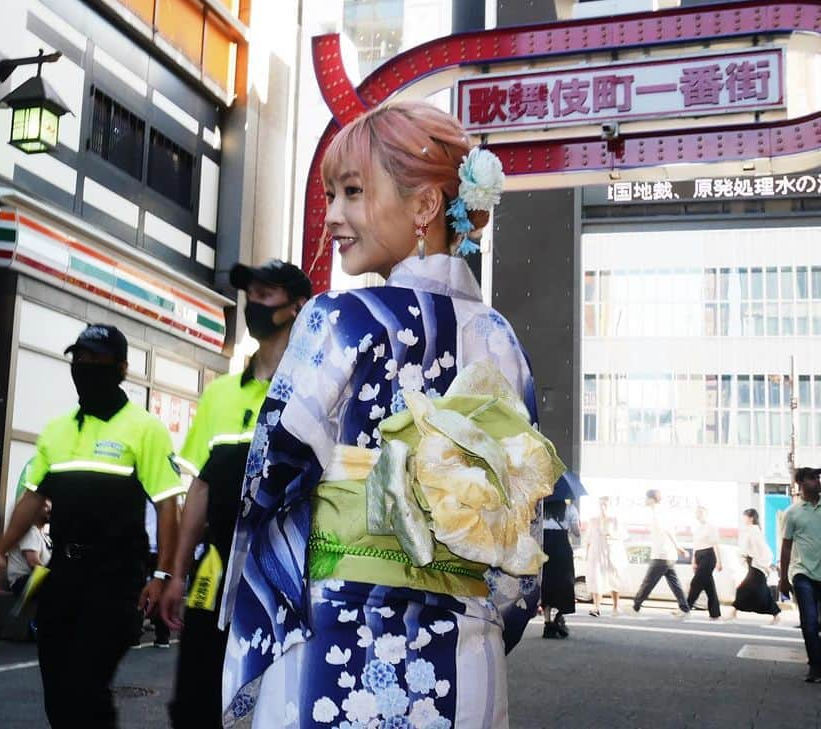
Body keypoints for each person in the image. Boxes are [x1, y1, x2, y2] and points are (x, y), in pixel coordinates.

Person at [217, 102, 563, 728]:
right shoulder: (503, 341)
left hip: (337, 636)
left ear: (426, 206)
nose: (333, 215)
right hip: (464, 649)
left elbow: (270, 471)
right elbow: (523, 520)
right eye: (330, 194)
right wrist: (487, 609)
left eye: (352, 192)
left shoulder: (339, 319)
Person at [0, 323, 185, 728]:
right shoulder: (56, 432)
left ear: (121, 368)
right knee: (58, 694)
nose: (85, 367)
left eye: (96, 360)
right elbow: (32, 500)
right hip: (63, 575)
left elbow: (167, 506)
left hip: (116, 578)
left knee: (86, 687)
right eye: (80, 358)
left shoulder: (145, 429)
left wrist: (162, 573)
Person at [160, 259, 312, 729]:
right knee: (195, 703)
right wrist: (175, 575)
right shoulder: (219, 395)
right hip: (217, 567)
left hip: (287, 570)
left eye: (267, 295)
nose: (256, 304)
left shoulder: (315, 389)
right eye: (252, 294)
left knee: (279, 699)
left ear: (296, 308)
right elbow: (200, 487)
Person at [778, 467, 821, 683]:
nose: (817, 481)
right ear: (800, 483)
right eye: (812, 478)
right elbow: (786, 547)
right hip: (802, 572)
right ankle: (816, 666)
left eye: (818, 478)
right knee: (809, 621)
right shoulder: (792, 513)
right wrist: (783, 579)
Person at [631, 489, 691, 617]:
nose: (645, 500)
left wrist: (678, 546)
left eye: (646, 498)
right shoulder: (660, 512)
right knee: (674, 584)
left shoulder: (657, 513)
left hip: (661, 554)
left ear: (652, 499)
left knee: (648, 582)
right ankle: (685, 609)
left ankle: (635, 606)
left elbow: (668, 531)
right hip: (667, 555)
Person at [729, 508, 780, 623]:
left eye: (745, 516)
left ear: (751, 518)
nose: (743, 519)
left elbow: (758, 548)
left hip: (756, 564)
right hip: (754, 563)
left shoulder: (753, 530)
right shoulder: (751, 530)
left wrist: (762, 564)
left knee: (746, 589)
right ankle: (734, 612)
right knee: (754, 590)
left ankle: (734, 612)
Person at [585, 496, 627, 617]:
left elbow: (621, 537)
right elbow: (588, 538)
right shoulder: (593, 520)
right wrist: (587, 554)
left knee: (614, 579)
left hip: (612, 553)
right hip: (596, 553)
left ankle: (615, 606)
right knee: (596, 579)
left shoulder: (615, 519)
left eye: (605, 505)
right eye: (601, 504)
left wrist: (610, 533)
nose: (603, 507)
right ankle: (596, 607)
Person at [541, 498, 576, 638]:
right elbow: (577, 531)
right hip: (562, 547)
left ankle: (547, 623)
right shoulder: (570, 509)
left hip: (544, 547)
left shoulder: (541, 509)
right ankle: (559, 617)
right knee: (564, 582)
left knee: (546, 582)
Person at [6, 497, 52, 595]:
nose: (50, 510)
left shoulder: (43, 535)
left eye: (50, 507)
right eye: (46, 507)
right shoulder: (30, 531)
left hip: (34, 579)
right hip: (23, 582)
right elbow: (33, 563)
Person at [686, 505, 723, 620]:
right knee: (709, 586)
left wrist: (719, 561)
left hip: (709, 555)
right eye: (697, 512)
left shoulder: (711, 527)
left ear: (706, 514)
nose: (698, 514)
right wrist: (693, 561)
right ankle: (715, 613)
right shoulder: (696, 528)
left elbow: (716, 544)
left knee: (695, 583)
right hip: (699, 556)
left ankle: (685, 608)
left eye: (701, 512)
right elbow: (695, 546)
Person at [144, 501, 171, 648]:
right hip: (161, 550)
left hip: (144, 547)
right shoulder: (165, 500)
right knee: (161, 592)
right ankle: (163, 636)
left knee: (137, 590)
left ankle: (133, 634)